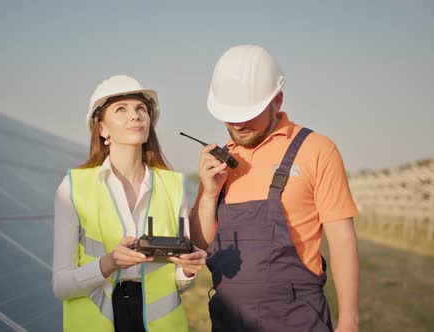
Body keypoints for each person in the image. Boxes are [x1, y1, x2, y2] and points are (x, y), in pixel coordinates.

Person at [190, 45, 360, 332]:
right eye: (231, 114)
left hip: (297, 320)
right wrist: (208, 194)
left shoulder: (317, 150)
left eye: (249, 112)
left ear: (277, 100)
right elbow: (201, 243)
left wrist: (349, 321)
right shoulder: (219, 164)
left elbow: (342, 240)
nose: (239, 123)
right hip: (228, 321)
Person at [53, 75, 207, 332]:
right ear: (102, 129)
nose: (134, 116)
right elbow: (61, 285)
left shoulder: (173, 187)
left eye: (141, 109)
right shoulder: (73, 186)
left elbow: (175, 282)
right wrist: (109, 263)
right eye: (121, 109)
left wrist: (189, 271)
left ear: (149, 124)